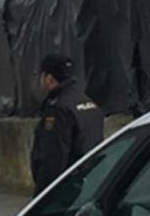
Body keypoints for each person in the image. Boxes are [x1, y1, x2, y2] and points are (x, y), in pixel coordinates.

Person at [31, 53, 104, 194]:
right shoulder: (88, 103)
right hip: (90, 184)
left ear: (49, 79)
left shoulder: (58, 109)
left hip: (67, 191)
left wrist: (42, 197)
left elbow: (53, 159)